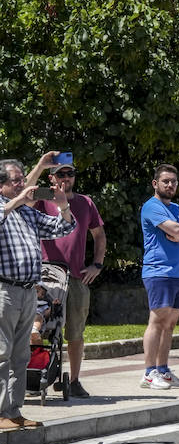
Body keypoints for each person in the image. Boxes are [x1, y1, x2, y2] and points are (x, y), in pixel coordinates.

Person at [0, 158, 74, 430]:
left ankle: (13, 411)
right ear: (1, 185)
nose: (23, 184)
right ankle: (0, 413)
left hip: (27, 291)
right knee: (2, 352)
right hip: (4, 289)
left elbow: (63, 228)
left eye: (22, 179)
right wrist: (18, 199)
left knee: (20, 354)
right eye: (15, 180)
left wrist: (62, 205)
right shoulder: (5, 209)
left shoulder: (27, 213)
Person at [35, 154, 105, 398]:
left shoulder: (85, 202)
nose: (66, 178)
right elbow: (22, 197)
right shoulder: (42, 199)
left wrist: (97, 264)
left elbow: (99, 235)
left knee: (75, 332)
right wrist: (41, 166)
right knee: (39, 328)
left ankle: (74, 380)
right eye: (61, 174)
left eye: (70, 174)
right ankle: (34, 375)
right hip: (44, 275)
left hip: (75, 276)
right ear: (52, 177)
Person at [140, 164, 179, 390]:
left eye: (174, 181)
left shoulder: (177, 207)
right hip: (159, 271)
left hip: (177, 272)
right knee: (157, 320)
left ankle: (163, 370)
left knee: (170, 323)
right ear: (155, 184)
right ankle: (148, 372)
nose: (171, 185)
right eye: (166, 181)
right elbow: (178, 230)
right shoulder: (151, 206)